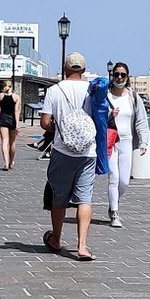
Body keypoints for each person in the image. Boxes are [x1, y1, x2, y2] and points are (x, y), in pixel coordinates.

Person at [40, 52, 98, 260]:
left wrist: (57, 127)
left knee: (59, 198)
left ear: (65, 69)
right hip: (88, 151)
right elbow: (102, 116)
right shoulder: (93, 90)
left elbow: (45, 122)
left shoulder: (54, 90)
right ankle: (82, 247)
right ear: (83, 70)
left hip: (63, 151)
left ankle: (56, 238)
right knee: (85, 198)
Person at [105, 62, 149, 228]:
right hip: (110, 141)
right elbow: (96, 116)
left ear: (127, 76)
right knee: (114, 177)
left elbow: (141, 120)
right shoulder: (106, 95)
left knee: (124, 181)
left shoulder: (133, 96)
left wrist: (144, 141)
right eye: (116, 74)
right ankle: (115, 213)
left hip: (127, 141)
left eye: (123, 74)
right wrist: (109, 114)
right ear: (112, 76)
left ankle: (113, 202)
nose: (119, 77)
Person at [0, 80, 22, 170]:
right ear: (12, 86)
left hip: (3, 119)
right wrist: (17, 124)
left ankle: (5, 162)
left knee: (4, 141)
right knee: (12, 142)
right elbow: (16, 111)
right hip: (12, 120)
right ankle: (11, 161)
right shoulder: (16, 97)